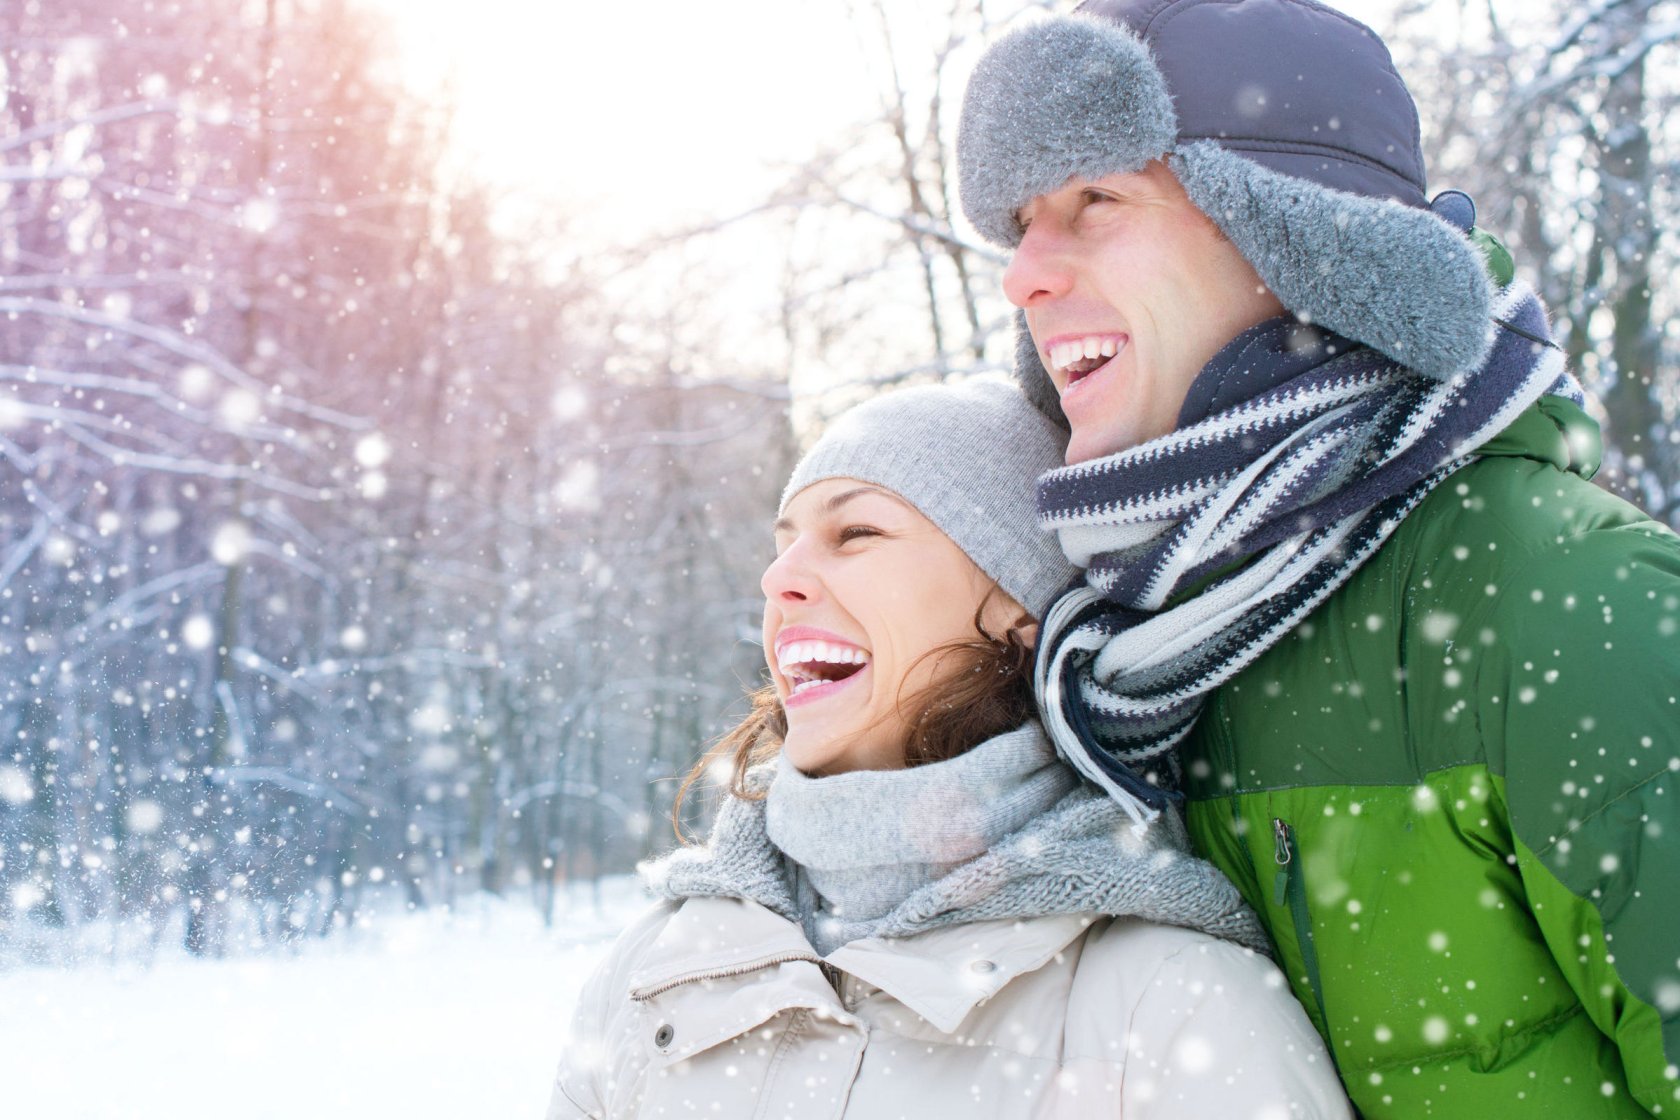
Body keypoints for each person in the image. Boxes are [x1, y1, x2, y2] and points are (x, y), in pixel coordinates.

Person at [954, 1, 1680, 1116]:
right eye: (1022, 222)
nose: (1022, 276)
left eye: (1096, 199)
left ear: (1301, 235)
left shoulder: (1567, 603)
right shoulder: (1126, 666)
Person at [545, 379, 1351, 1118]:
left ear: (1021, 608)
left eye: (856, 531)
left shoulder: (1169, 1006)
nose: (779, 578)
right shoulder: (659, 970)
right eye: (782, 543)